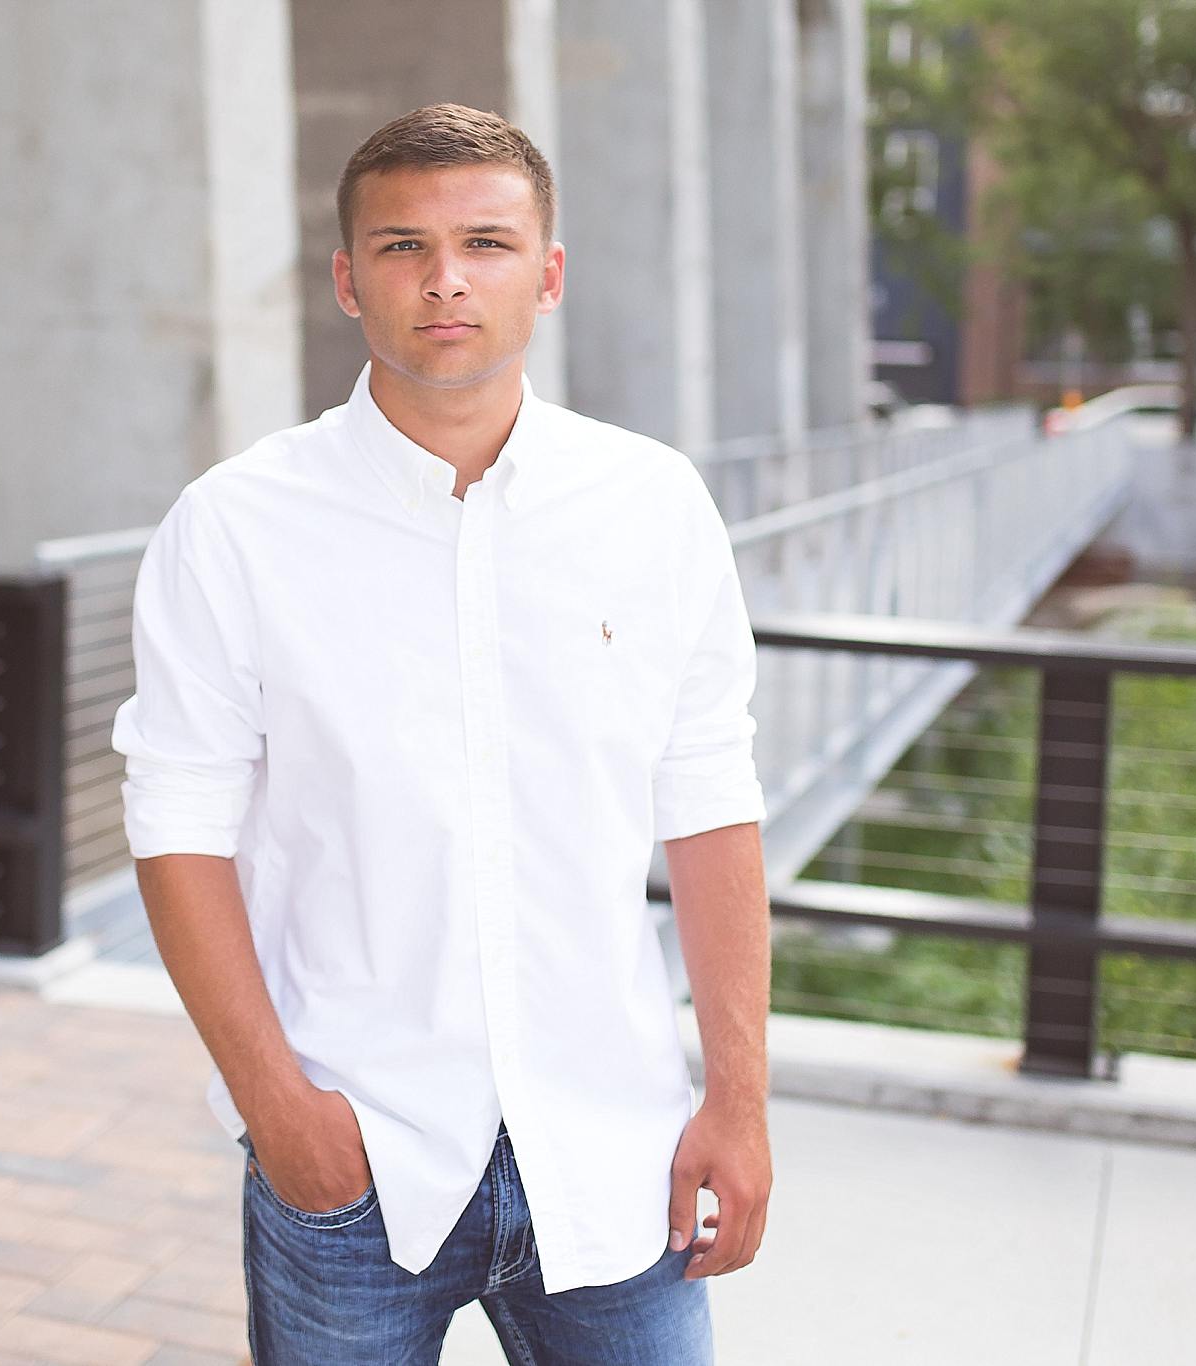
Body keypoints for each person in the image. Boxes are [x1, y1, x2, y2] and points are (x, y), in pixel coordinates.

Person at [110, 102, 772, 1365]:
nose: (445, 279)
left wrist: (738, 1103)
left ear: (548, 275)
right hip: (352, 1155)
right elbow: (177, 825)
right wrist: (277, 1110)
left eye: (485, 243)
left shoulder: (651, 507)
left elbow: (708, 805)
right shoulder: (235, 525)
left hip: (611, 1151)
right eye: (403, 246)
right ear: (346, 281)